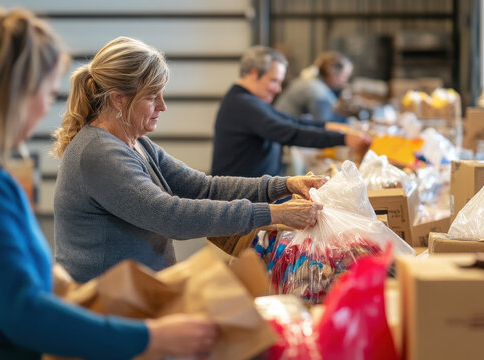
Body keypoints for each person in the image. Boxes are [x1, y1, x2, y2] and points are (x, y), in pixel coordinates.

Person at [0, 9, 217, 359]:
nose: (44, 109)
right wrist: (149, 337)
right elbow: (23, 311)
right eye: (47, 94)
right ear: (19, 93)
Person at [52, 37, 326, 283]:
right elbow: (170, 216)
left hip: (138, 295)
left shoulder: (137, 144)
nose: (162, 106)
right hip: (108, 307)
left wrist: (285, 185)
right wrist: (272, 213)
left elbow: (204, 187)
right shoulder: (99, 152)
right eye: (151, 96)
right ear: (118, 100)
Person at [210, 46, 371, 178]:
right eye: (274, 81)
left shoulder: (248, 100)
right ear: (253, 74)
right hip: (243, 201)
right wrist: (343, 138)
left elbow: (289, 121)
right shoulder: (242, 105)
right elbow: (289, 132)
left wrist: (326, 126)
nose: (278, 89)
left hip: (259, 192)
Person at [275, 51, 353, 124]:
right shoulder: (318, 91)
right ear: (332, 72)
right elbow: (325, 124)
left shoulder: (311, 80)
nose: (345, 82)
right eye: (345, 76)